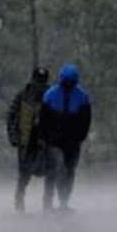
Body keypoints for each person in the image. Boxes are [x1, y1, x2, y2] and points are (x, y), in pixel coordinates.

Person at [39, 64, 92, 213]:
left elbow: (86, 120)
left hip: (71, 141)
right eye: (66, 81)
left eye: (71, 81)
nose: (68, 84)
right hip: (55, 141)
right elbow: (43, 120)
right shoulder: (50, 95)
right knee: (55, 169)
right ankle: (48, 202)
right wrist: (45, 137)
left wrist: (80, 136)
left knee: (68, 170)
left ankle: (63, 202)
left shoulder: (81, 97)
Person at [6, 67, 51, 213]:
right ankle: (19, 201)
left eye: (42, 82)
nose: (40, 85)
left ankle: (47, 204)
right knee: (25, 173)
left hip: (46, 140)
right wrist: (13, 136)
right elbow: (11, 115)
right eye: (38, 82)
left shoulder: (51, 96)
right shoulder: (23, 96)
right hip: (27, 140)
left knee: (50, 172)